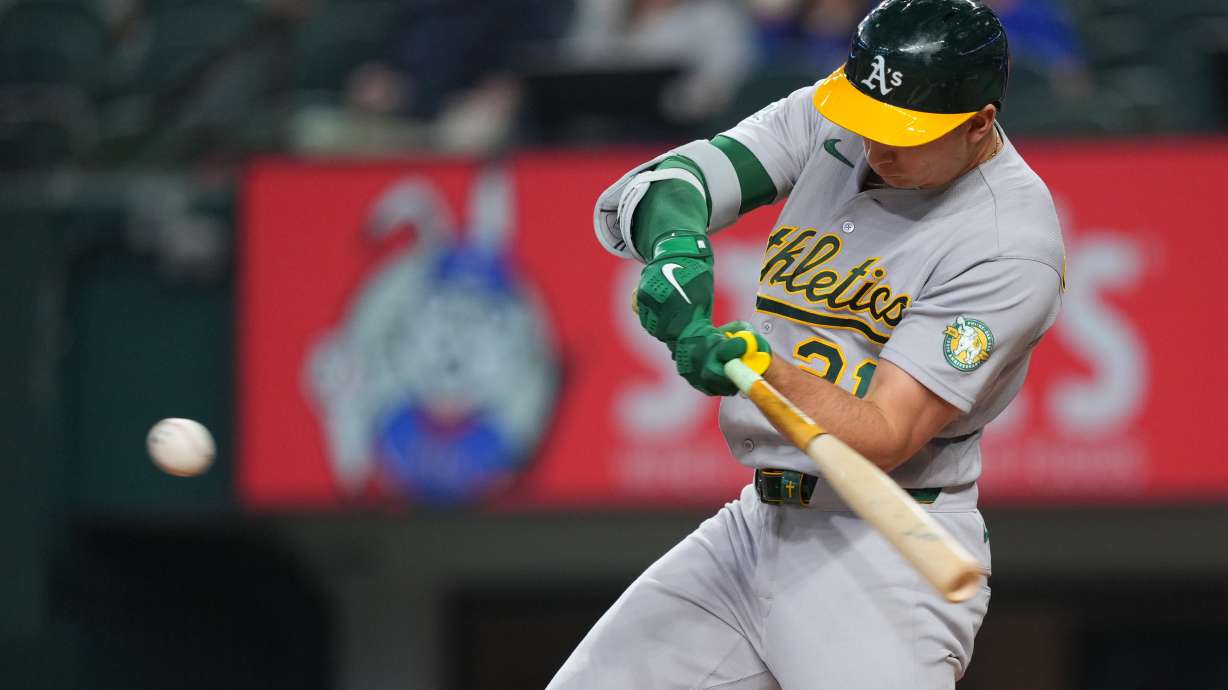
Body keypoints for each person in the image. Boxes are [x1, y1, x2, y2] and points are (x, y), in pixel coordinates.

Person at [551, 0, 1066, 688]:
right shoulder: (840, 114)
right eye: (868, 119)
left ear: (979, 123)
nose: (877, 144)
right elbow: (677, 180)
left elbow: (886, 432)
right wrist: (677, 245)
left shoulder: (1009, 243)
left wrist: (759, 368)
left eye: (905, 132)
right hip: (755, 526)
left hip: (887, 549)